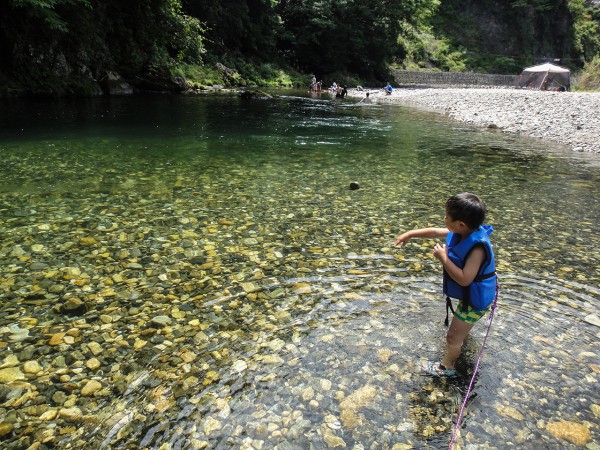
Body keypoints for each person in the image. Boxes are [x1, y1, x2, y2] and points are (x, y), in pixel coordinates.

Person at [395, 193, 497, 377]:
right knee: (459, 335)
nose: (444, 220)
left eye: (447, 218)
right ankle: (461, 343)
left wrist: (443, 258)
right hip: (471, 296)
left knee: (452, 337)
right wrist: (410, 234)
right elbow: (434, 232)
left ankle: (446, 367)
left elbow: (465, 279)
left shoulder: (477, 248)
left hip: (475, 301)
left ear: (461, 224)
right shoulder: (463, 232)